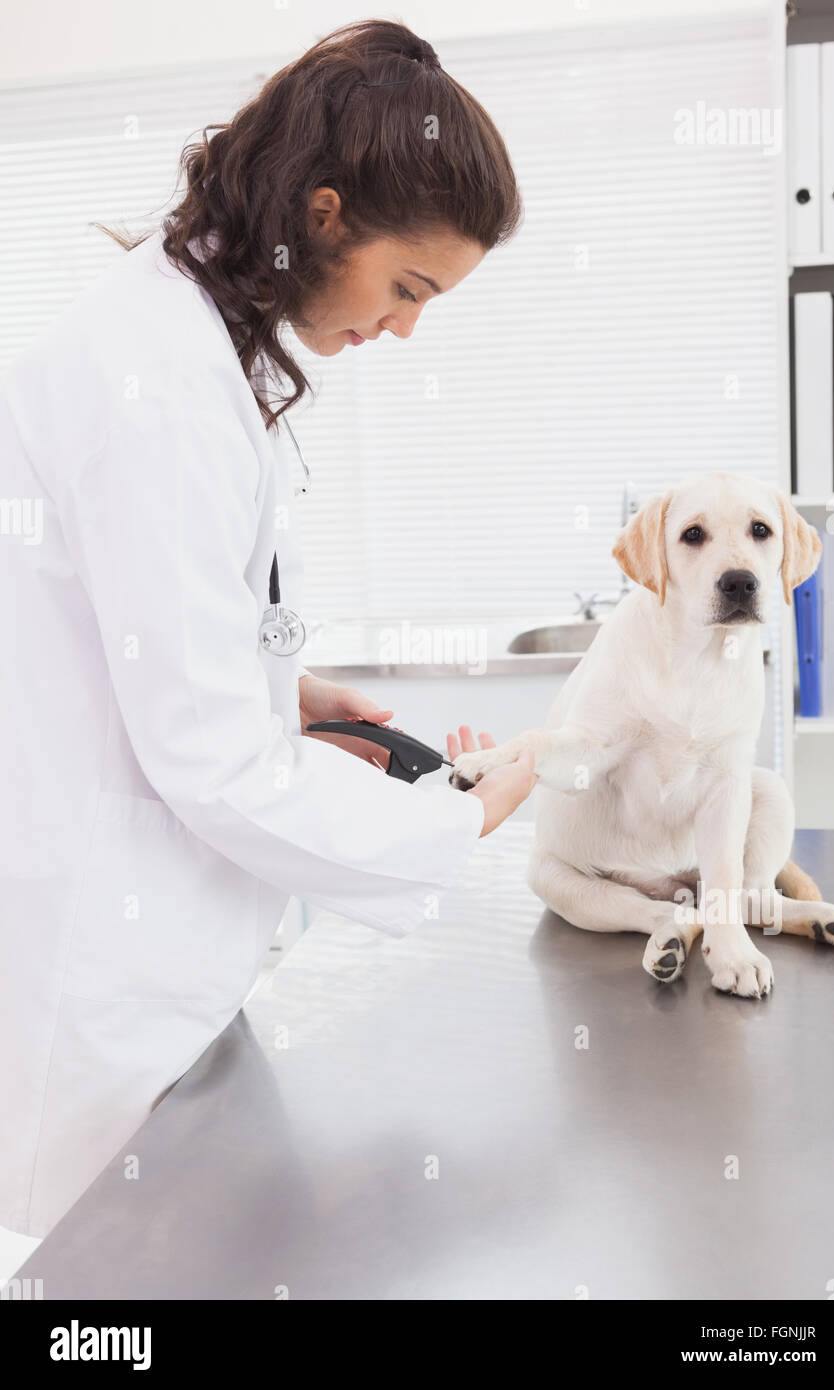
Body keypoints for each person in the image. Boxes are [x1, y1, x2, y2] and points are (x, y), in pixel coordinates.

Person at [0, 18, 537, 1240]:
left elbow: (124, 626)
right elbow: (211, 763)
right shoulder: (154, 380)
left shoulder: (191, 344)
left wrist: (269, 683)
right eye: (409, 288)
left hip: (159, 968)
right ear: (328, 212)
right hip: (105, 981)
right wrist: (455, 813)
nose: (406, 330)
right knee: (105, 1280)